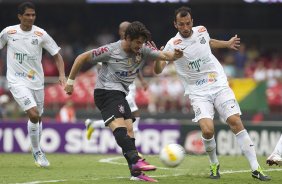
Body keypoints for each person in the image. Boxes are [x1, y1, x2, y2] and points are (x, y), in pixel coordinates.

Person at [153, 6, 270, 181]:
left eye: (187, 23)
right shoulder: (172, 44)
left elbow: (209, 42)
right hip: (197, 92)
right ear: (175, 24)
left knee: (235, 121)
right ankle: (214, 164)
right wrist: (159, 57)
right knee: (208, 131)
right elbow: (158, 70)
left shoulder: (201, 30)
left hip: (218, 83)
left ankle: (256, 168)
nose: (185, 27)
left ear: (192, 22)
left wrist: (227, 44)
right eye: (181, 24)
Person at [65, 21, 183, 182]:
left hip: (120, 94)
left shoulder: (142, 49)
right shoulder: (110, 50)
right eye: (137, 42)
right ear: (128, 38)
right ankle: (136, 159)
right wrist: (70, 82)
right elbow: (81, 57)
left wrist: (175, 55)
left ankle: (135, 173)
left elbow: (164, 56)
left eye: (142, 43)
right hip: (106, 92)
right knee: (120, 128)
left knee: (129, 130)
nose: (140, 46)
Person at [0, 2, 66, 167]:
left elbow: (57, 54)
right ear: (20, 16)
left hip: (37, 82)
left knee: (38, 116)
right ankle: (37, 151)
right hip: (17, 81)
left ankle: (37, 148)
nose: (30, 18)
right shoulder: (9, 32)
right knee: (34, 114)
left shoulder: (40, 34)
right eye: (27, 15)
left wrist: (62, 74)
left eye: (33, 15)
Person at [85, 21, 148, 141]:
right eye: (124, 31)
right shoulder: (112, 48)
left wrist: (143, 81)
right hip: (117, 86)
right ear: (120, 32)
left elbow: (136, 66)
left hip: (130, 85)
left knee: (121, 119)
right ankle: (133, 142)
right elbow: (99, 66)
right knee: (134, 113)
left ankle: (93, 124)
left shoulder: (136, 48)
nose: (126, 33)